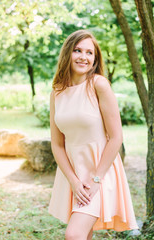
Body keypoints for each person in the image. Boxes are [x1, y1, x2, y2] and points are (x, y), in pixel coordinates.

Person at [48, 29, 138, 240]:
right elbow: (57, 144)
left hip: (99, 172)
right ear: (67, 53)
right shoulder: (57, 92)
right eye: (78, 50)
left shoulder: (98, 85)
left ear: (95, 59)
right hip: (73, 174)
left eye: (89, 53)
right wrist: (73, 180)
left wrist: (96, 178)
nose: (83, 57)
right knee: (82, 235)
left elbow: (116, 137)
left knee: (74, 234)